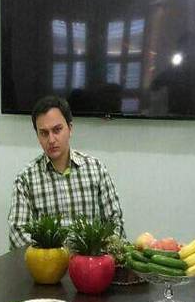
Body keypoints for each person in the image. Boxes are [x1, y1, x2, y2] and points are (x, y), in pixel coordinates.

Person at [7, 94, 125, 248]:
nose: (51, 140)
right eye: (44, 133)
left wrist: (95, 254)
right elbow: (17, 233)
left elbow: (115, 224)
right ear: (37, 136)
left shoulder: (96, 169)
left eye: (57, 130)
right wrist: (50, 256)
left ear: (70, 129)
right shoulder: (26, 179)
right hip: (46, 261)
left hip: (92, 260)